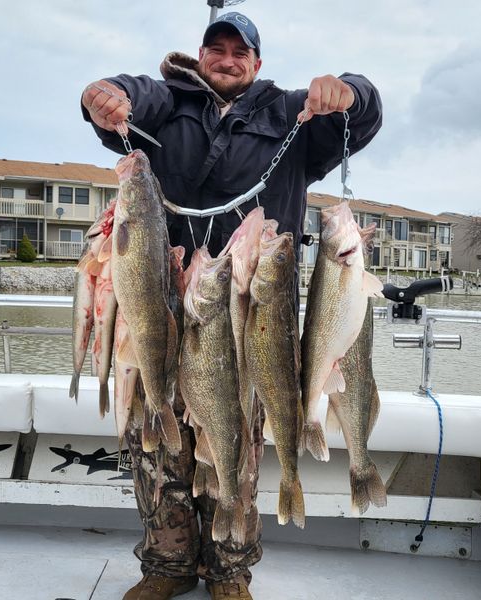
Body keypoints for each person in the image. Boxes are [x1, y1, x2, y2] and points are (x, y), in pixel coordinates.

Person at [81, 11, 382, 600]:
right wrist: (104, 96)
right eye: (215, 48)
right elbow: (130, 98)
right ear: (201, 55)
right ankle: (166, 566)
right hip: (167, 301)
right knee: (158, 443)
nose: (226, 58)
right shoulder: (168, 103)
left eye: (239, 51)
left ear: (257, 63)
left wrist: (351, 92)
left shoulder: (291, 115)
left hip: (252, 310)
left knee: (237, 437)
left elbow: (361, 118)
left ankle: (230, 570)